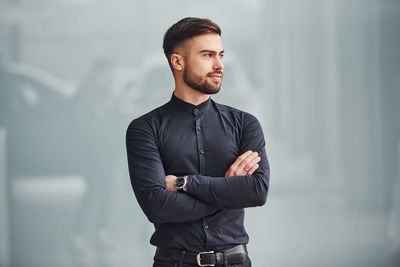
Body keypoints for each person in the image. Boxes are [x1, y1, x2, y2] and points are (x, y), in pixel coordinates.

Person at [126, 17, 270, 267]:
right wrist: (228, 191)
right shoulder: (144, 129)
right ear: (177, 61)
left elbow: (257, 191)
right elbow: (157, 207)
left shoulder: (245, 124)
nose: (219, 65)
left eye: (220, 55)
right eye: (207, 55)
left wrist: (185, 183)